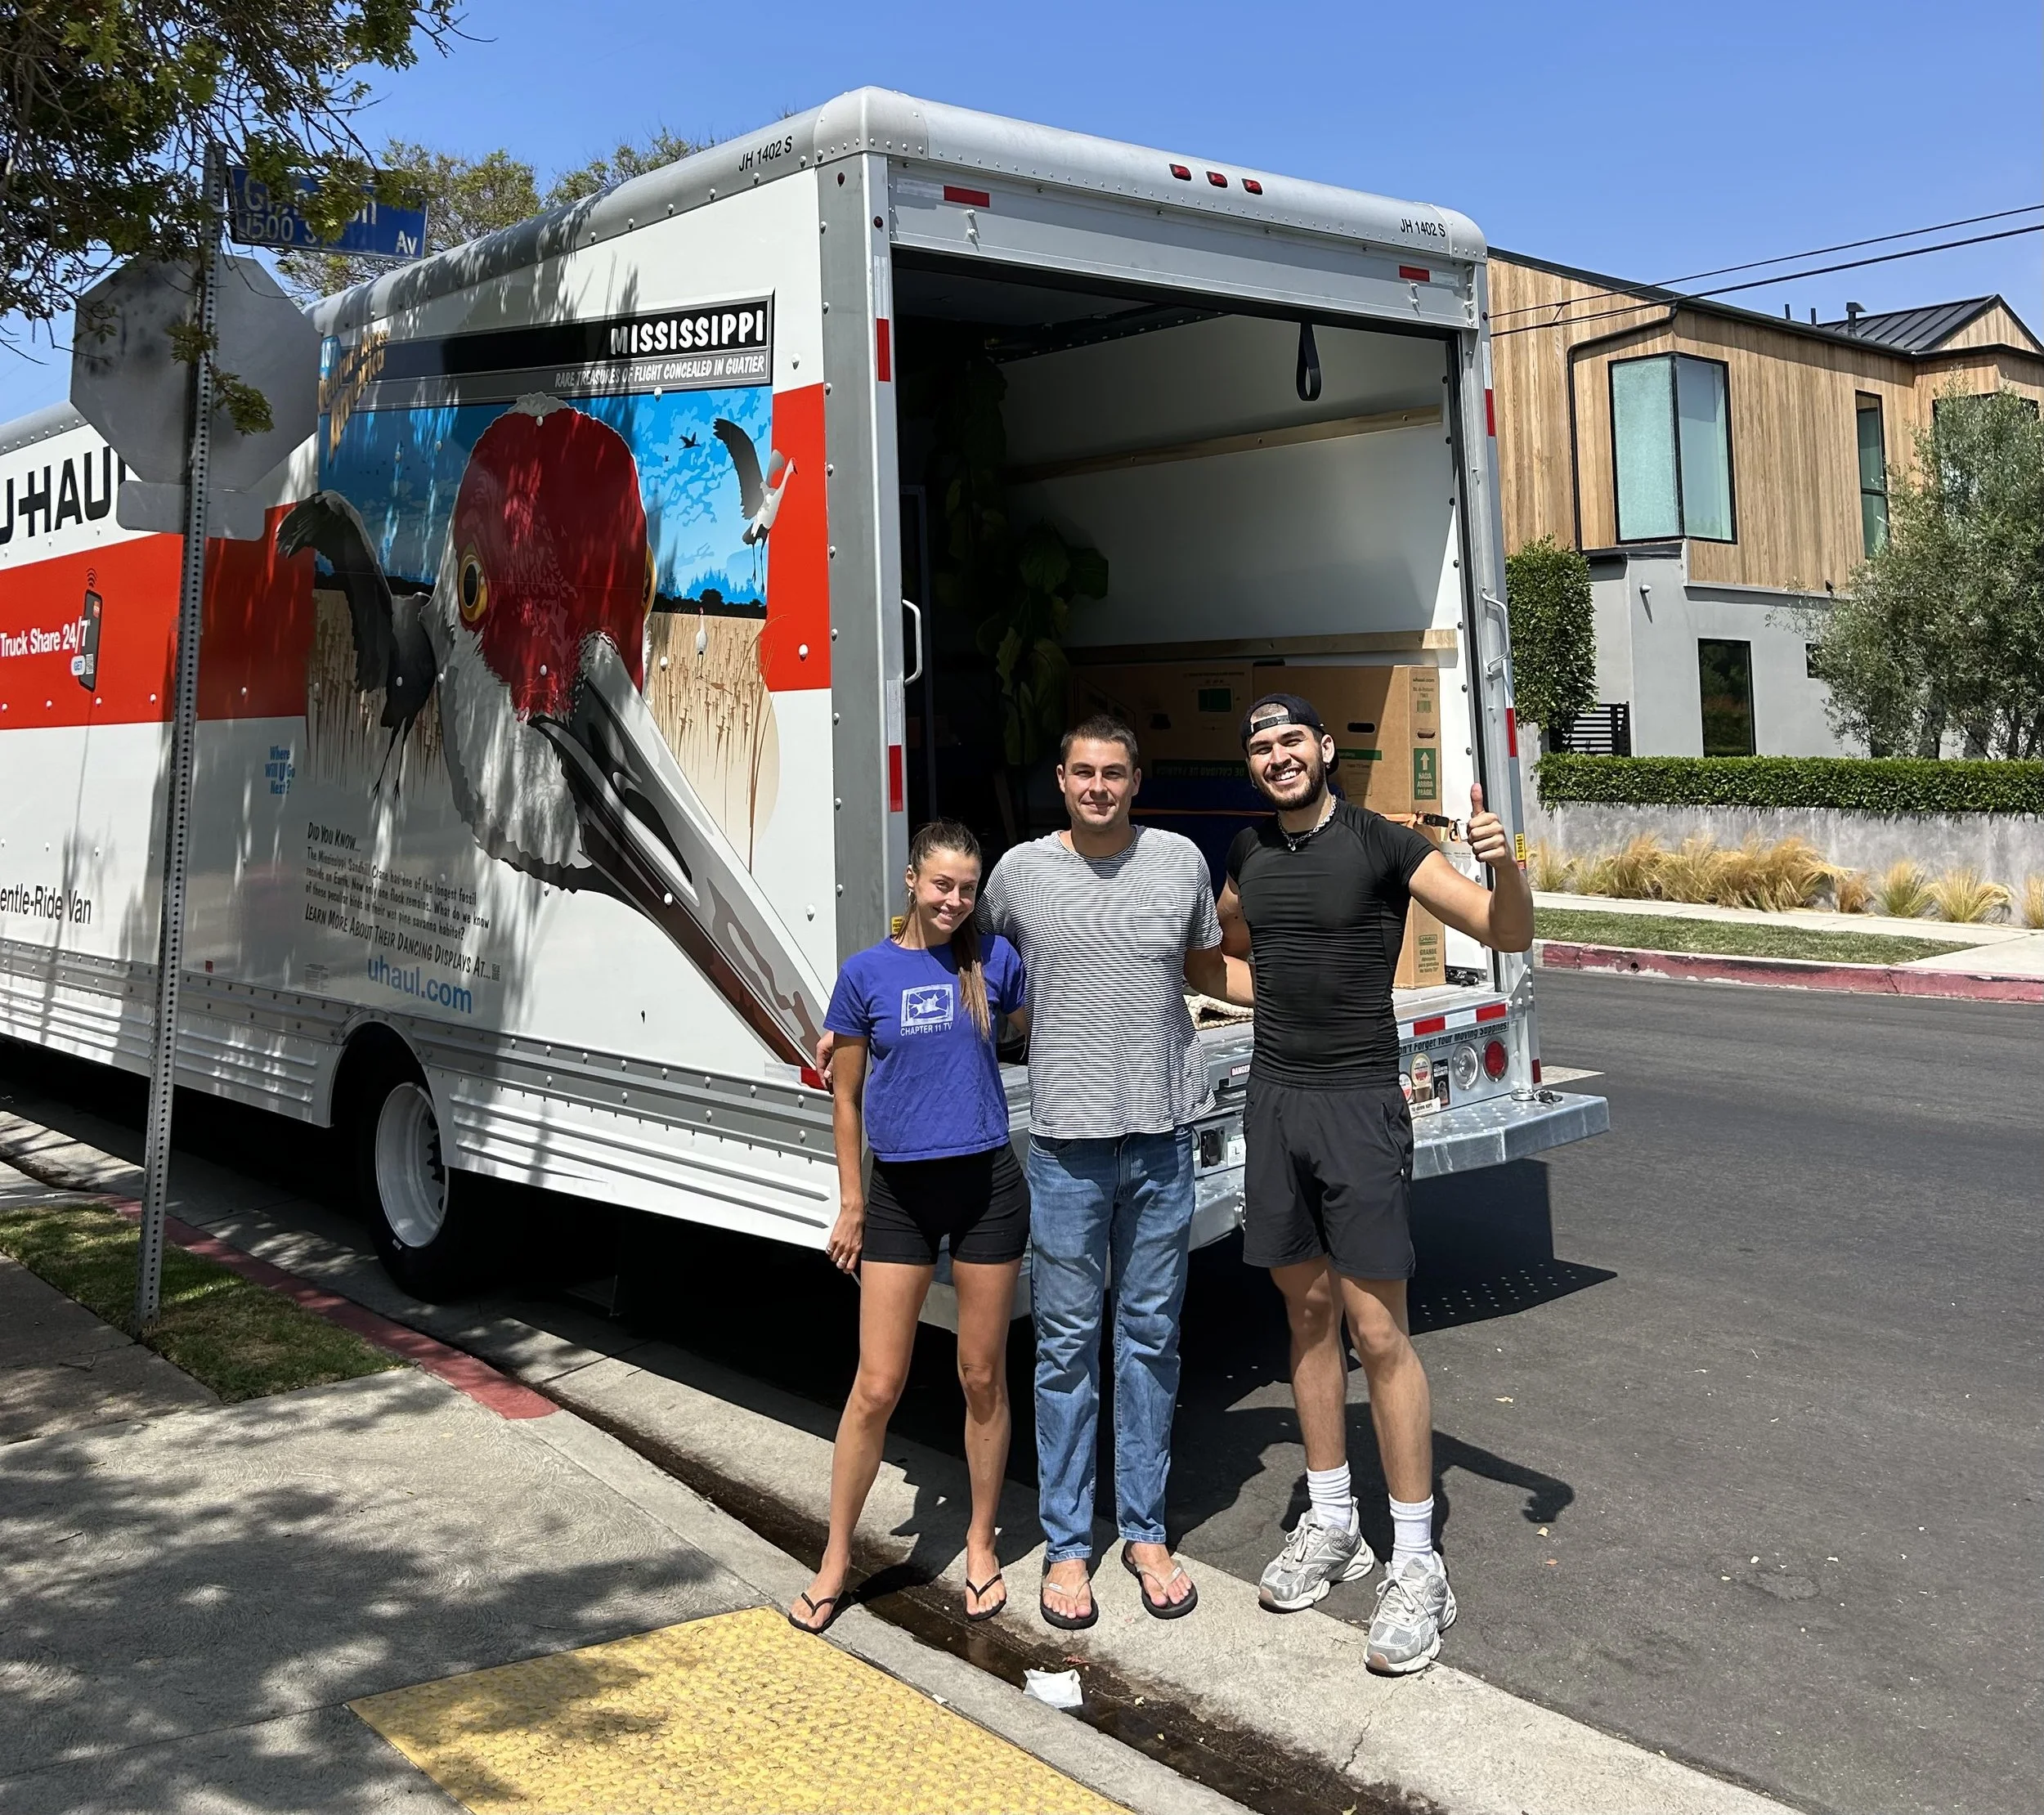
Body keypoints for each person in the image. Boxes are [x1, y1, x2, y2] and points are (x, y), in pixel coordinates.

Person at [1212, 692, 1532, 1675]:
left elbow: (1503, 929)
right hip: (1274, 1104)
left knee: (1378, 1330)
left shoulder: (1386, 846)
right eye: (1261, 746)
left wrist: (1505, 859)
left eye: (1291, 740)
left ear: (1325, 748)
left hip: (1357, 1107)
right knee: (1303, 1318)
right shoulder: (1247, 856)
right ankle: (1334, 1522)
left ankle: (1417, 1559)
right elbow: (1225, 950)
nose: (1278, 756)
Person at [975, 715, 1233, 1629]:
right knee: (1064, 1350)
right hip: (1066, 1148)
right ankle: (1067, 1546)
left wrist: (1315, 995)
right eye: (1083, 772)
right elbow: (962, 954)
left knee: (1150, 1342)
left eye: (1113, 773)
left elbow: (1207, 967)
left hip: (1162, 1137)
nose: (1097, 787)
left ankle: (1146, 1531)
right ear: (1060, 778)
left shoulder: (1178, 863)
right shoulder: (1016, 874)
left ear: (1135, 780)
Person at [789, 820, 1031, 1636]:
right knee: (878, 1386)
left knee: (980, 1376)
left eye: (967, 889)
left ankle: (978, 1543)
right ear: (911, 881)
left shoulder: (994, 961)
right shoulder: (865, 974)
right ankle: (833, 1557)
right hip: (896, 1194)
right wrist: (852, 1203)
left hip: (987, 1185)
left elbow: (1032, 1031)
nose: (955, 901)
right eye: (942, 886)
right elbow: (847, 1098)